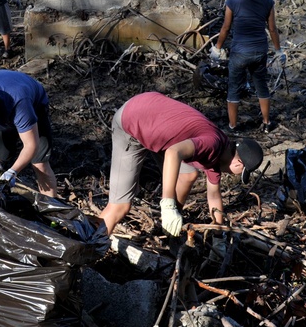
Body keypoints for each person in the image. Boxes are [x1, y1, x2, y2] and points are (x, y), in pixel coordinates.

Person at [99, 92, 263, 236]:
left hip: (154, 111)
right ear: (238, 163)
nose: (235, 173)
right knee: (119, 206)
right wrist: (168, 204)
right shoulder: (212, 144)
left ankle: (169, 227)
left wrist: (218, 232)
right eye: (242, 171)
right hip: (132, 119)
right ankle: (86, 246)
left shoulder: (220, 153)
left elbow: (214, 196)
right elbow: (172, 153)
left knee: (188, 174)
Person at [212, 0, 284, 133]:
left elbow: (226, 28)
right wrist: (278, 50)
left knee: (234, 88)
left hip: (239, 53)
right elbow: (272, 29)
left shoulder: (233, 0)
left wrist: (217, 48)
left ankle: (233, 126)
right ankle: (266, 123)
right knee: (261, 86)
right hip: (260, 51)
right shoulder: (268, 1)